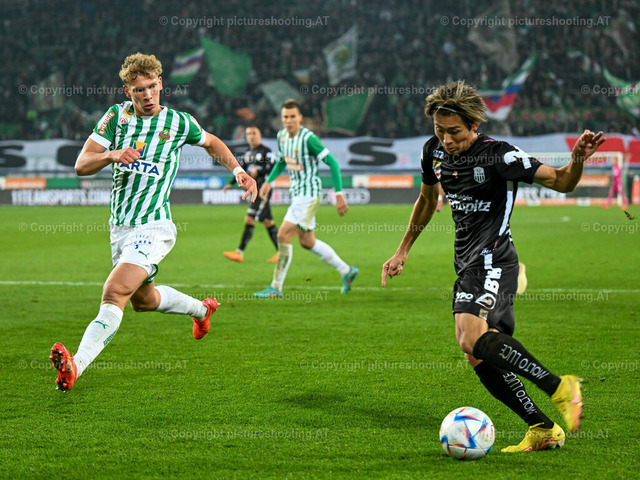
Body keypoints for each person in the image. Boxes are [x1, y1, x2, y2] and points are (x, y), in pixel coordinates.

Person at [382, 81, 605, 452]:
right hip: (468, 264)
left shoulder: (499, 155)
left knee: (469, 338)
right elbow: (427, 199)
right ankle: (542, 428)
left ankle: (559, 387)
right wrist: (402, 250)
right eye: (439, 130)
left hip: (493, 260)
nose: (446, 139)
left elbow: (562, 181)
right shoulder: (433, 151)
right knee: (475, 353)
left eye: (455, 132)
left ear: (473, 126)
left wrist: (578, 159)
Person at [49, 53, 257, 392]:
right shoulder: (116, 117)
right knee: (143, 301)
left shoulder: (178, 122)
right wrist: (111, 154)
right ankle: (202, 311)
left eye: (151, 87)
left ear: (161, 83)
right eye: (138, 90)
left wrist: (237, 170)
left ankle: (76, 365)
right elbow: (81, 164)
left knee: (114, 291)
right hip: (120, 229)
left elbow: (211, 142)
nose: (147, 95)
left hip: (154, 226)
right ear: (127, 91)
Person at [254, 99, 358, 298]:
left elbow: (333, 163)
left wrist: (339, 194)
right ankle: (347, 270)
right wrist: (269, 181)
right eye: (285, 117)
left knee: (283, 235)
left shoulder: (309, 139)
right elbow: (282, 161)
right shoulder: (282, 136)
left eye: (292, 116)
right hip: (297, 194)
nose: (289, 120)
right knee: (307, 241)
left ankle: (276, 287)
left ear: (300, 118)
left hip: (309, 195)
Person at [222, 126, 279, 263]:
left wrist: (259, 172)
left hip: (263, 190)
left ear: (260, 135)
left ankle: (239, 252)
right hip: (254, 189)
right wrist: (231, 183)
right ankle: (282, 252)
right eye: (249, 134)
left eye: (254, 133)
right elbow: (241, 170)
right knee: (268, 221)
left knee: (250, 218)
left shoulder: (266, 151)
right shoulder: (248, 153)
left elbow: (274, 168)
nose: (251, 136)